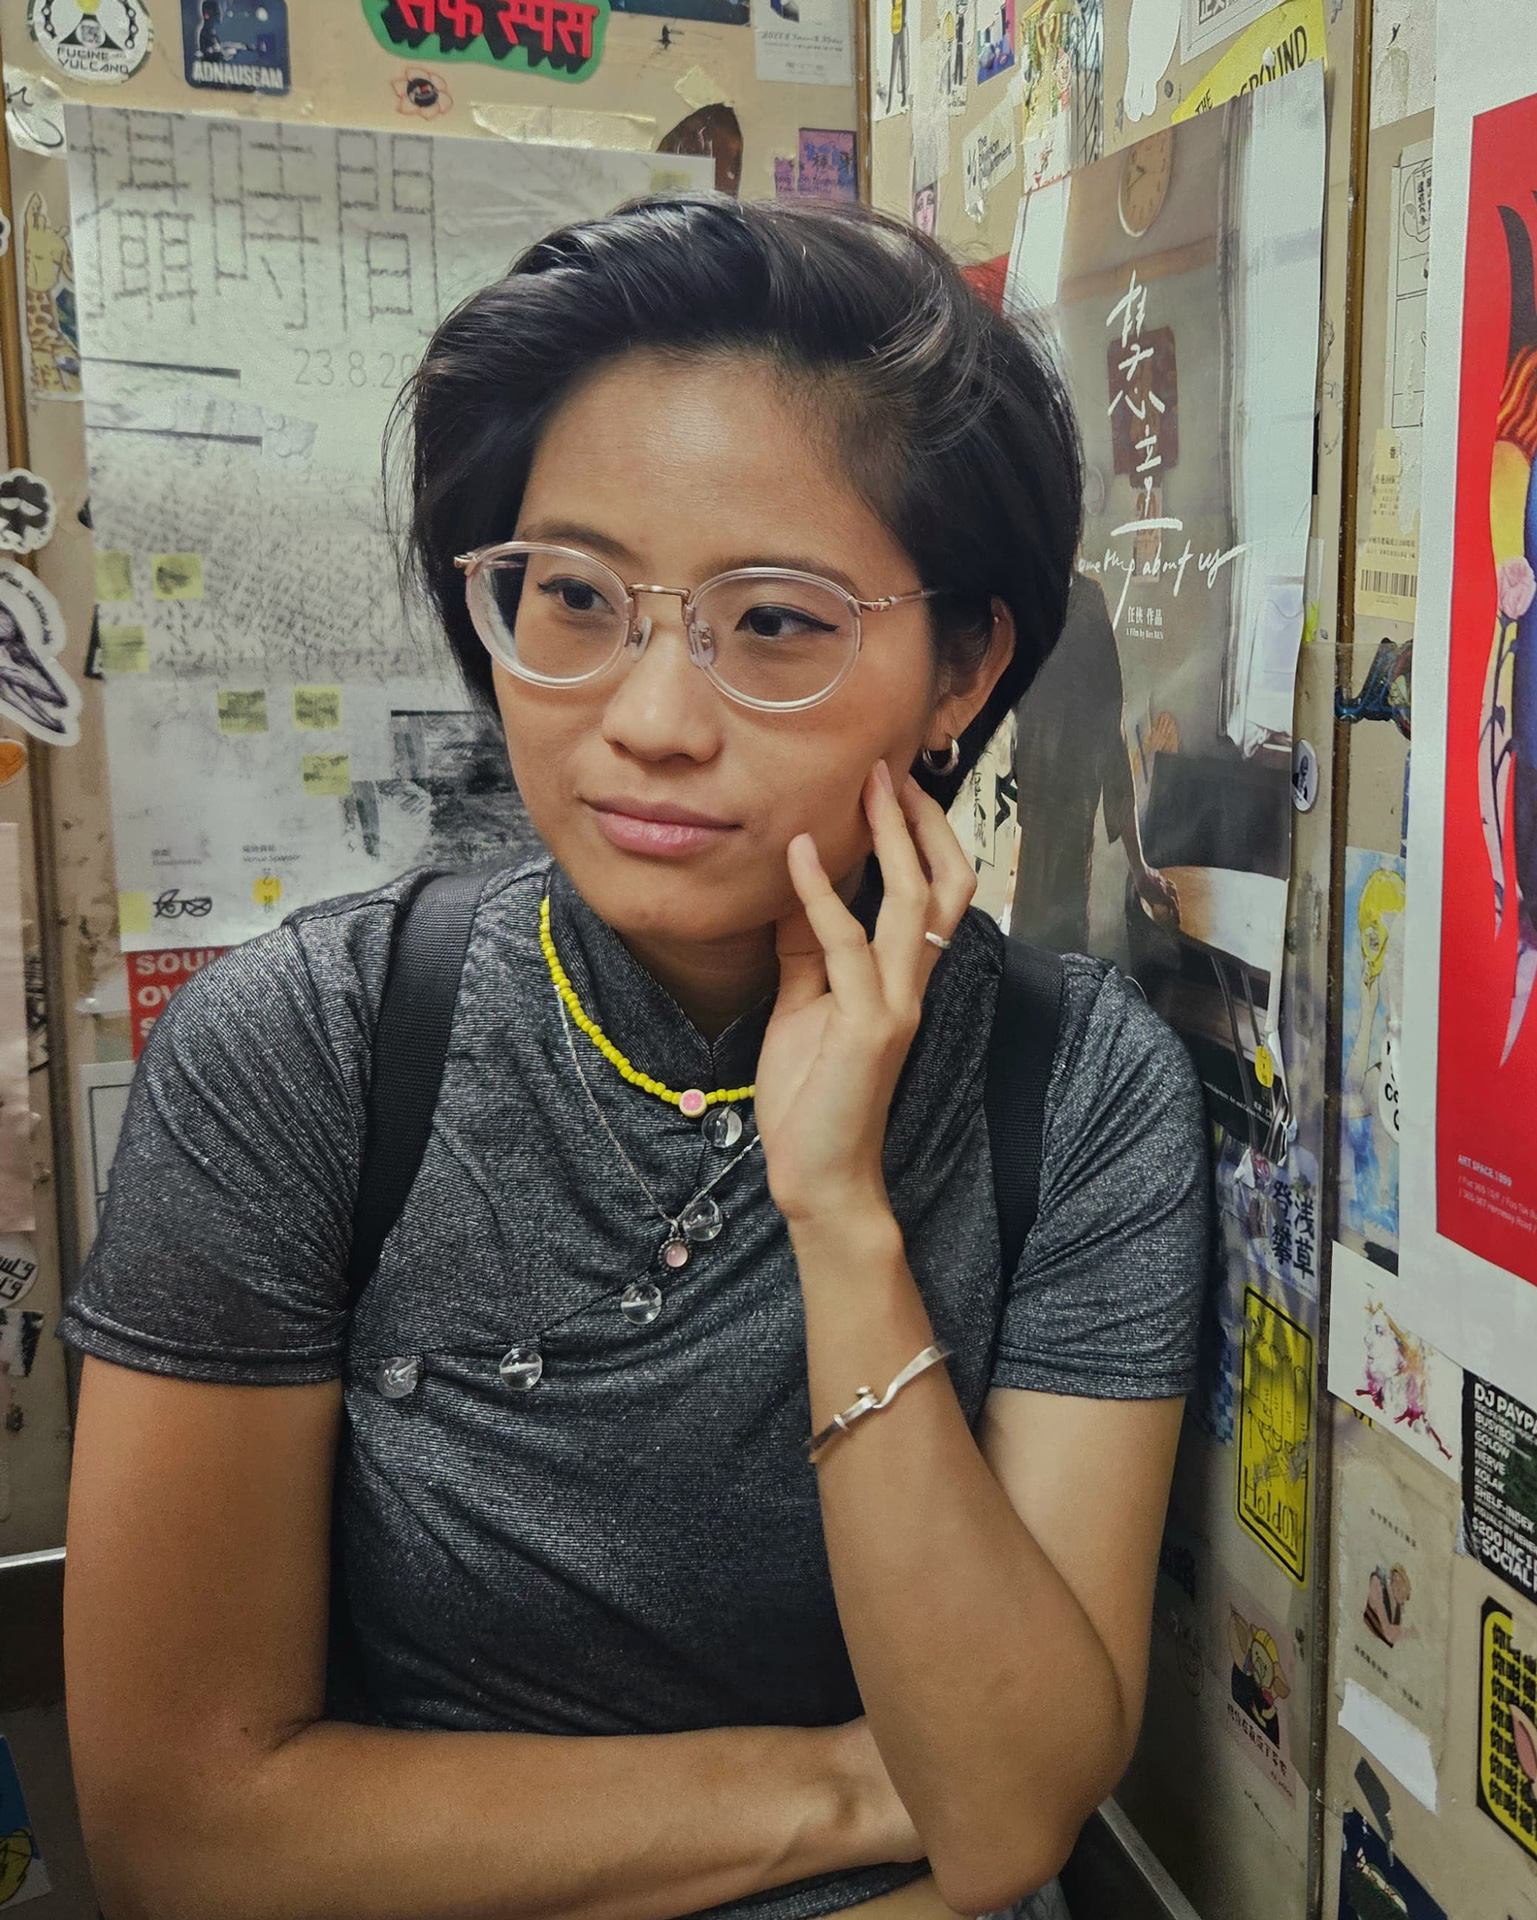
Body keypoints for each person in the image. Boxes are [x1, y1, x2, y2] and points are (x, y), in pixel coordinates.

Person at [57, 196, 1208, 1920]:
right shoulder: (304, 1049)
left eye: (778, 623)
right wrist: (845, 1785)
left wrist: (840, 1216)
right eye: (574, 597)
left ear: (963, 666)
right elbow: (188, 1830)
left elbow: (1002, 1820)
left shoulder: (1078, 1085)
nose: (650, 721)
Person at [1010, 572, 1178, 956]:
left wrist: (1139, 869)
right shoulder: (1021, 601)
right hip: (1031, 852)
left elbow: (1112, 741)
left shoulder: (1081, 605)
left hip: (1065, 845)